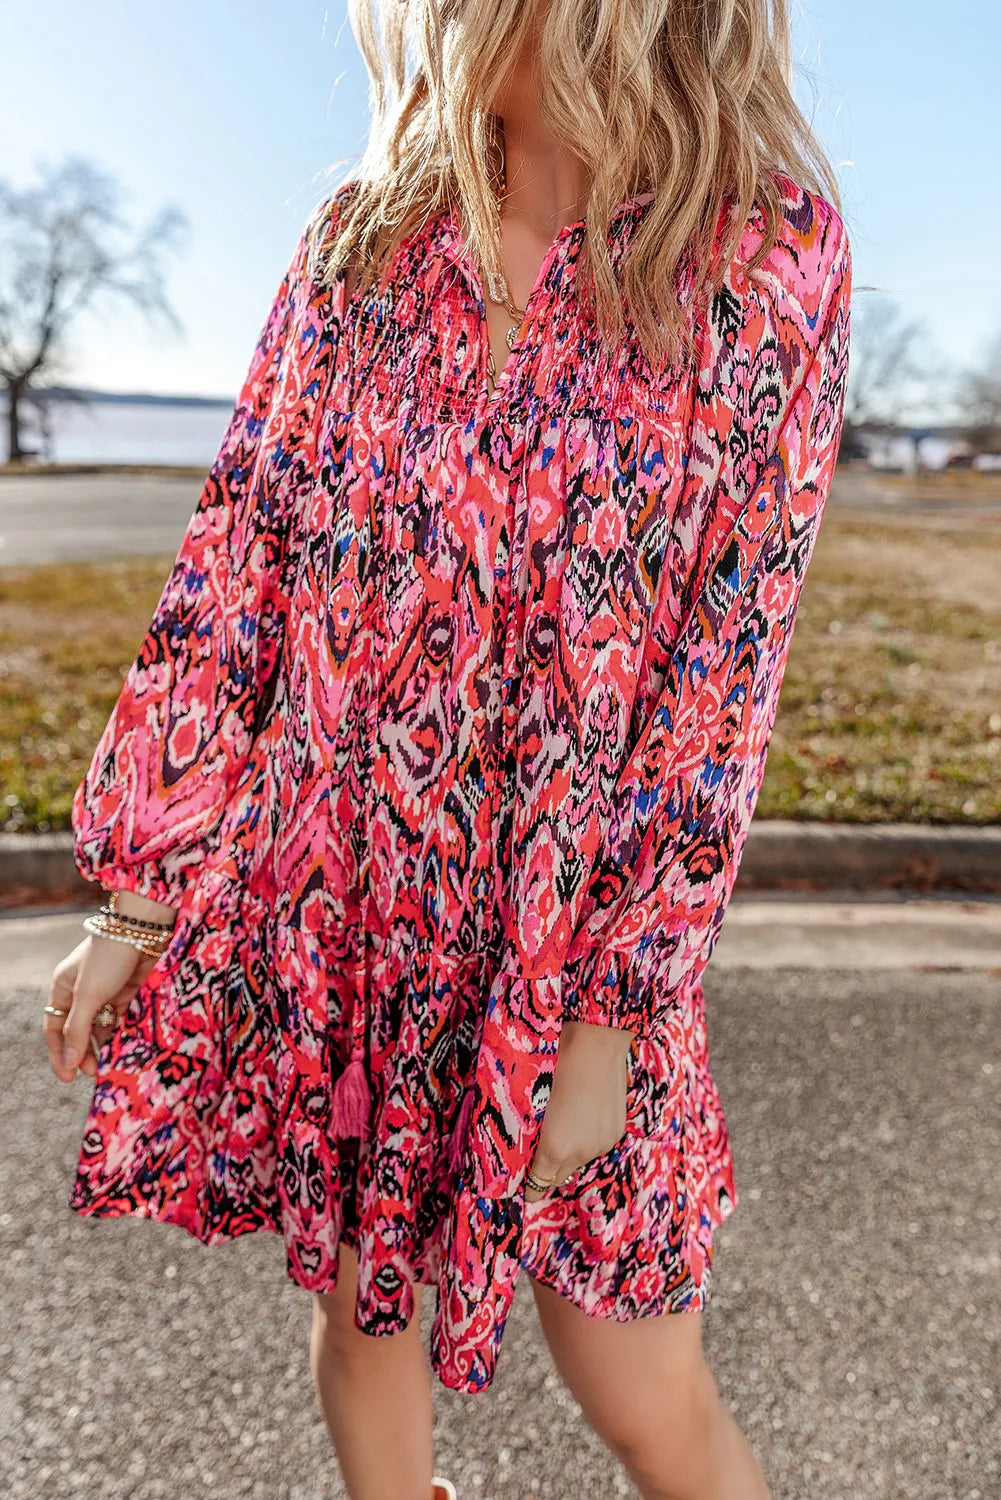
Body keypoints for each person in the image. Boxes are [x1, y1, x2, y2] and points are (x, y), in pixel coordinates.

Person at [43, 1, 851, 1496]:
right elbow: (240, 562)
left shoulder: (759, 257)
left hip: (573, 941)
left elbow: (720, 681)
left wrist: (610, 1020)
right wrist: (135, 892)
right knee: (364, 1323)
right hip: (354, 908)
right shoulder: (361, 245)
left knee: (641, 1386)